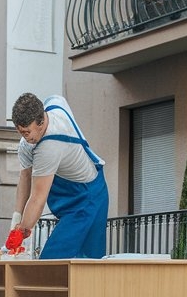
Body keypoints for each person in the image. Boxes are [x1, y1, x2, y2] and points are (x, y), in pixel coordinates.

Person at [6, 92, 109, 260]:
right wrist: (16, 221)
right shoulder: (55, 104)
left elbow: (37, 198)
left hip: (88, 198)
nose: (25, 138)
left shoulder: (49, 147)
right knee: (77, 264)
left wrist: (21, 232)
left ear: (41, 123)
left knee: (58, 261)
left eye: (27, 132)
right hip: (74, 190)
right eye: (21, 132)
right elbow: (25, 177)